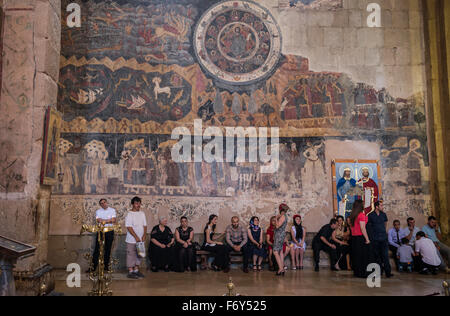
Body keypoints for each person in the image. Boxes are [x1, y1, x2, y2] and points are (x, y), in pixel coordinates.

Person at [367, 201, 393, 278]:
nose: (382, 207)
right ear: (377, 207)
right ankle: (379, 272)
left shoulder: (383, 214)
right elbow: (369, 227)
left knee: (385, 256)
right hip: (375, 239)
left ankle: (388, 272)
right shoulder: (370, 215)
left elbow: (385, 224)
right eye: (381, 205)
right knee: (377, 256)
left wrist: (383, 232)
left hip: (384, 238)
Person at [125, 196, 147, 279]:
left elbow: (145, 225)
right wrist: (136, 236)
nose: (138, 205)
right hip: (131, 239)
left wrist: (144, 235)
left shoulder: (142, 213)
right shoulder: (129, 214)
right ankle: (130, 271)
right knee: (131, 254)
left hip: (141, 239)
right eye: (136, 203)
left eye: (139, 203)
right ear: (132, 204)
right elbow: (129, 227)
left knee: (140, 254)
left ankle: (136, 270)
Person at [91, 198, 116, 272]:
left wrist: (104, 221)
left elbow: (114, 220)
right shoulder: (98, 211)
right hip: (101, 232)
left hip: (110, 231)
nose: (103, 204)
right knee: (97, 249)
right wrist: (108, 220)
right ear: (100, 205)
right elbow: (98, 220)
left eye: (104, 202)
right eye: (101, 203)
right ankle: (92, 268)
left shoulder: (112, 210)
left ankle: (106, 268)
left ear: (107, 203)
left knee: (108, 249)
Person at [349, 200, 370, 278]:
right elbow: (362, 228)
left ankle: (357, 272)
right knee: (362, 256)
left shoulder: (352, 215)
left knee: (356, 256)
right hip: (360, 238)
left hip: (354, 238)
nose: (364, 205)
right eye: (363, 204)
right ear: (360, 206)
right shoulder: (361, 215)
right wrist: (367, 239)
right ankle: (362, 273)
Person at [273, 204, 290, 276]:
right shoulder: (285, 216)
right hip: (281, 235)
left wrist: (276, 218)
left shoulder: (282, 216)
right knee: (280, 252)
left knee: (275, 252)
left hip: (279, 235)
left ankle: (280, 269)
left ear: (280, 209)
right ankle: (282, 268)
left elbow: (277, 226)